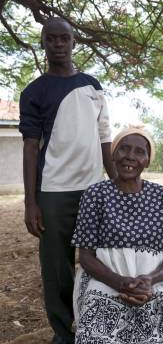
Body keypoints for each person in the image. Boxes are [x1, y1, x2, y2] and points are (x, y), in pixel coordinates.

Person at [71, 126, 163, 344]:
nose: (130, 157)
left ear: (148, 160)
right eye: (124, 149)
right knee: (97, 327)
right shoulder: (95, 195)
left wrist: (150, 280)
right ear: (113, 154)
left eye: (140, 151)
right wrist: (120, 282)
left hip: (158, 276)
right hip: (106, 275)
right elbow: (85, 256)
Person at [19, 17, 116, 344]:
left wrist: (115, 184)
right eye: (51, 39)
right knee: (57, 269)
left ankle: (98, 326)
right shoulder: (34, 92)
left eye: (64, 39)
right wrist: (31, 201)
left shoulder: (93, 86)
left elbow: (104, 138)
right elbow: (31, 148)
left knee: (101, 261)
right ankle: (64, 333)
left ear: (75, 43)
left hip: (94, 189)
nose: (58, 45)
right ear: (43, 43)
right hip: (53, 193)